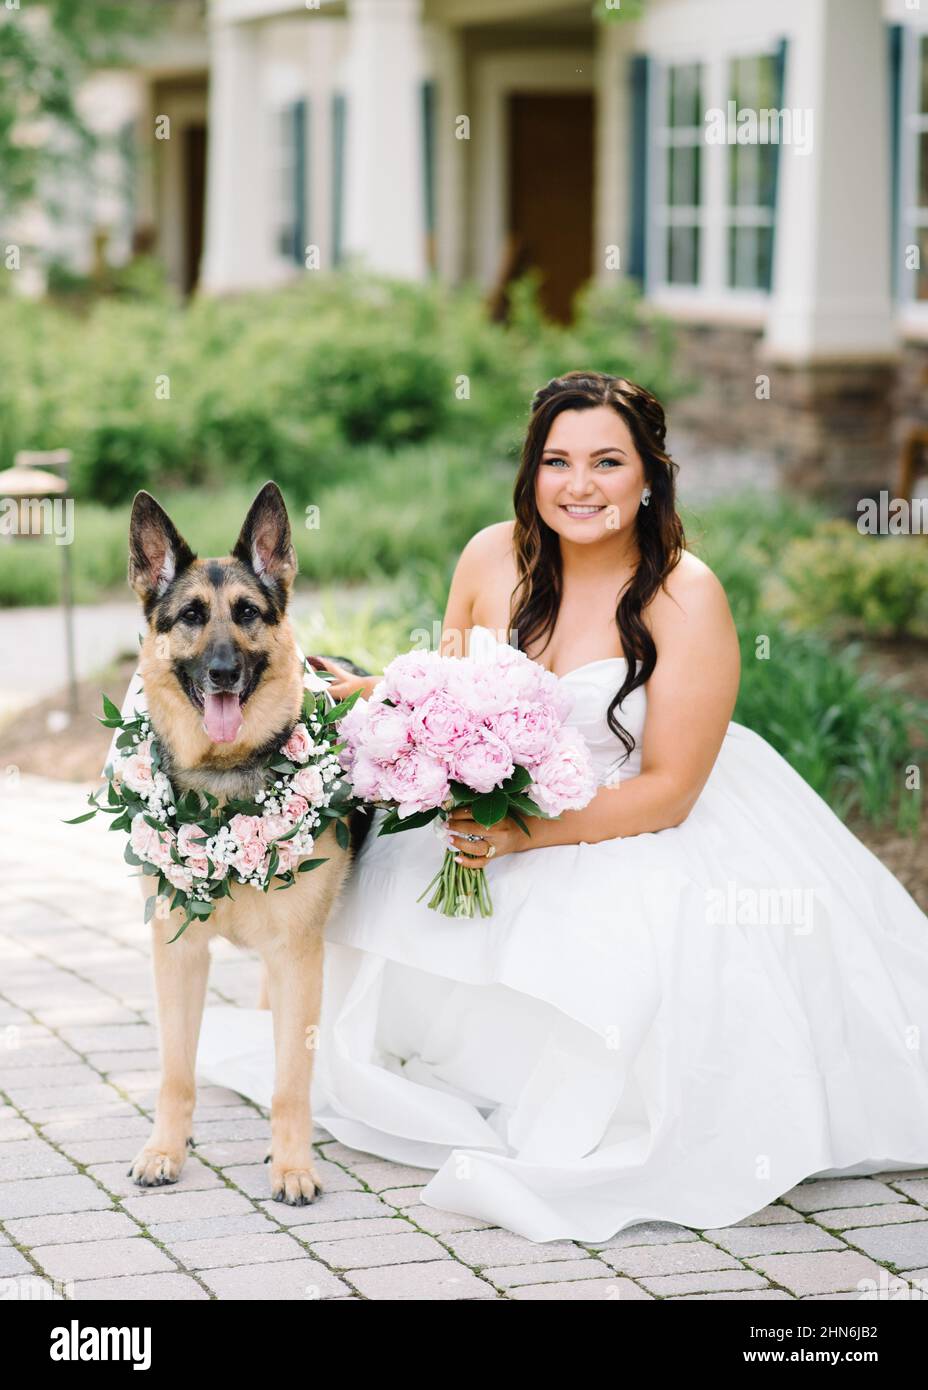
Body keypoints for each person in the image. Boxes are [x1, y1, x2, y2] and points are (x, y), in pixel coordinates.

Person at [194, 371, 928, 1245]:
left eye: (608, 462)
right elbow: (453, 693)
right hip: (497, 808)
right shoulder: (488, 557)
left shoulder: (688, 596)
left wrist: (520, 836)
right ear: (531, 473)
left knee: (625, 943)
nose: (579, 486)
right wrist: (387, 701)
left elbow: (670, 791)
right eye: (557, 462)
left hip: (636, 813)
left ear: (650, 476)